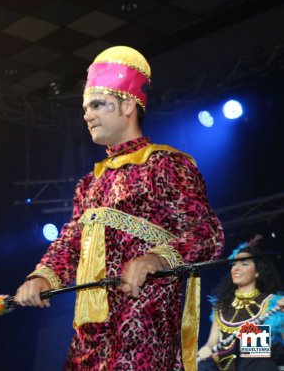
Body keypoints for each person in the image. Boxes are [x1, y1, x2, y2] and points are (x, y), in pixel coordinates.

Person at [14, 46, 224, 370]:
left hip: (144, 330)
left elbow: (206, 233)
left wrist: (157, 258)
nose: (87, 115)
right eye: (85, 108)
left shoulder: (164, 164)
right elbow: (71, 243)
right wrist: (43, 278)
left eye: (98, 104)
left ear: (128, 104)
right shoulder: (89, 184)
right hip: (89, 339)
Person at [198, 246, 284, 371]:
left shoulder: (272, 302)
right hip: (222, 367)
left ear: (257, 272)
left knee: (252, 342)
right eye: (234, 264)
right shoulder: (221, 305)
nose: (236, 268)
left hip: (257, 365)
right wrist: (206, 348)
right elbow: (212, 341)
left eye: (244, 264)